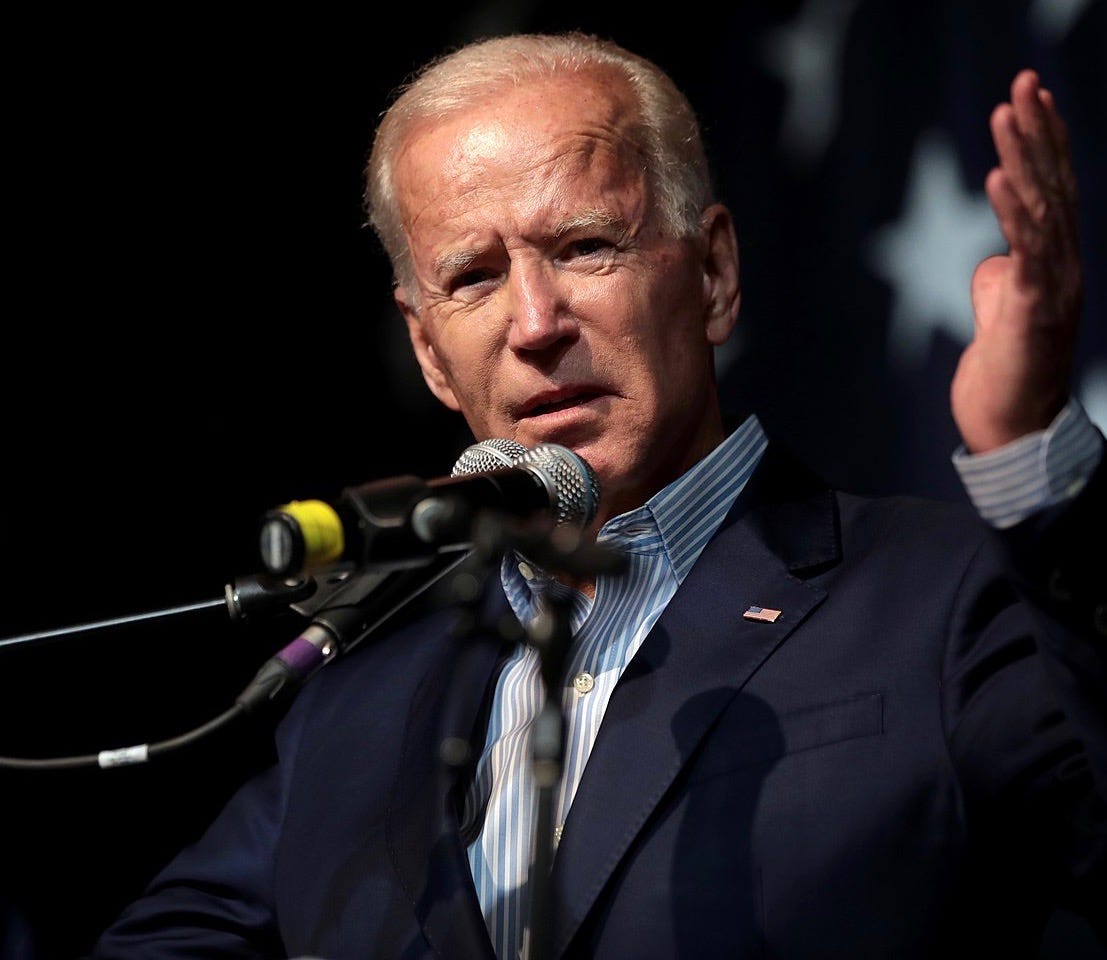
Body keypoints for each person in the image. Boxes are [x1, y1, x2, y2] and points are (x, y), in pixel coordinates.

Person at [89, 31, 1104, 960]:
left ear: (711, 273)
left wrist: (1030, 458)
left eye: (584, 247)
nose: (535, 323)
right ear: (429, 353)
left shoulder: (943, 594)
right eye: (475, 277)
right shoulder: (361, 700)